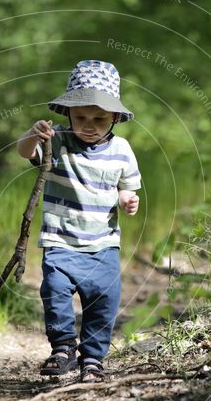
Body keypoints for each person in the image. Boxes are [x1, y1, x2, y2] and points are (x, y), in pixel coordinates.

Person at [16, 60, 141, 383]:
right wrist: (33, 135)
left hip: (103, 243)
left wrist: (127, 199)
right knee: (55, 292)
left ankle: (94, 358)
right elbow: (24, 152)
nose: (89, 125)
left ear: (114, 117)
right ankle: (62, 348)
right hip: (60, 240)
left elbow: (127, 186)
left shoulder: (123, 150)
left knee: (104, 301)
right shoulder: (57, 140)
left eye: (99, 119)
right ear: (67, 113)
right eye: (81, 117)